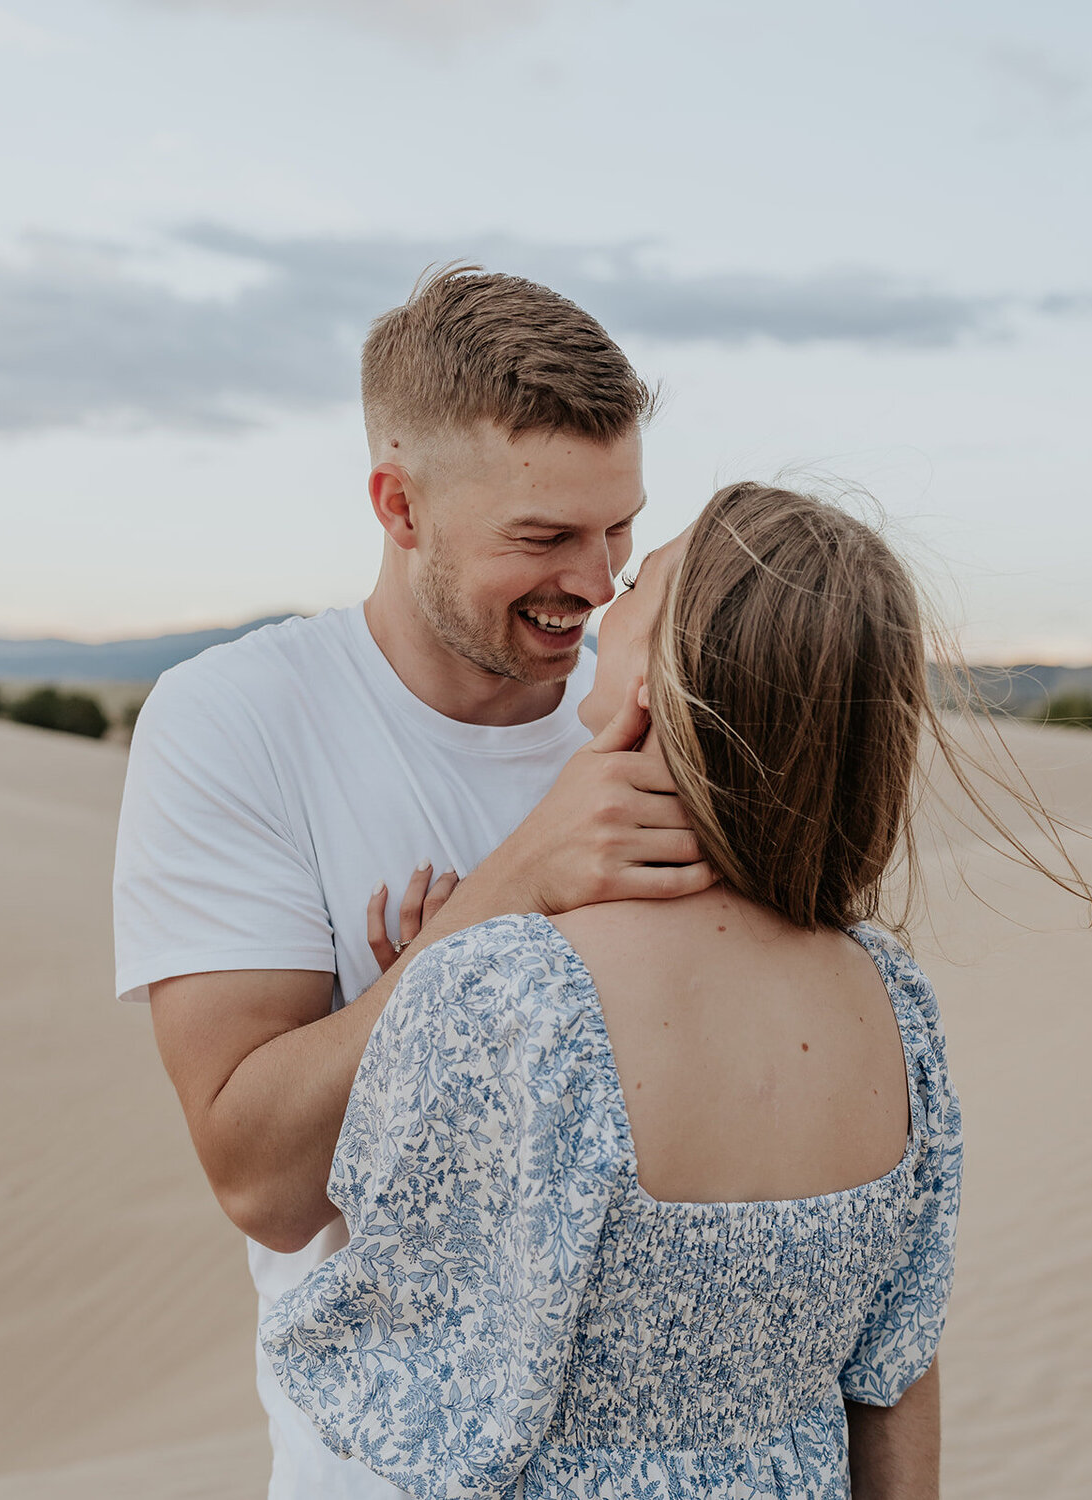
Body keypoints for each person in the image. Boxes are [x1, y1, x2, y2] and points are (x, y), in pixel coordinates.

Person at [112, 267, 712, 1500]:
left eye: (621, 530)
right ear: (399, 506)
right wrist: (508, 900)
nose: (600, 585)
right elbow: (263, 1182)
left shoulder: (659, 717)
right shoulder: (239, 721)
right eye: (543, 539)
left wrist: (418, 1010)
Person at [259, 482, 972, 1500]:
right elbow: (897, 1376)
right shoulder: (897, 1006)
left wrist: (425, 1026)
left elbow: (408, 1371)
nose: (600, 600)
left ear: (664, 676)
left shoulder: (514, 995)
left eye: (635, 584)